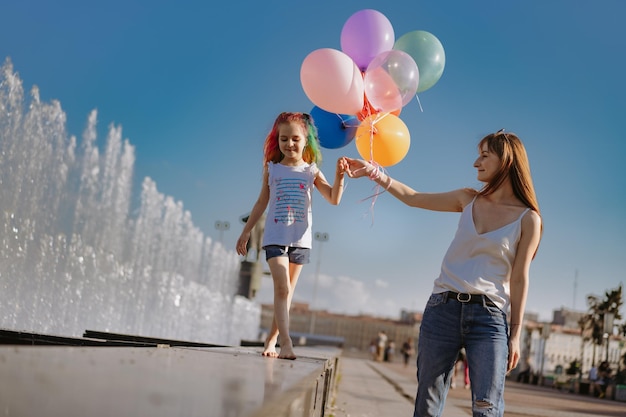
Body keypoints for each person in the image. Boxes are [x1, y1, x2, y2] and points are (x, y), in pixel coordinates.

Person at [343, 129, 542, 417]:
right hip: (442, 310)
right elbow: (413, 197)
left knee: (487, 408)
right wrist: (375, 173)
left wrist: (516, 334)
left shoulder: (528, 219)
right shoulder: (467, 199)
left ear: (507, 161)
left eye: (485, 156)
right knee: (427, 405)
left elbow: (520, 277)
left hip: (490, 319)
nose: (476, 162)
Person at [236, 112, 347, 360]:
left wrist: (340, 176)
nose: (289, 144)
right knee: (282, 288)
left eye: (295, 138)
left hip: (301, 240)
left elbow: (334, 199)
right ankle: (286, 343)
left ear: (306, 140)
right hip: (275, 237)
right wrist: (246, 232)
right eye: (284, 139)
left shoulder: (311, 171)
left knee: (287, 294)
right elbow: (261, 202)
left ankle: (272, 339)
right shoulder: (272, 169)